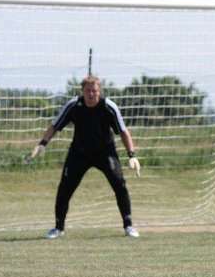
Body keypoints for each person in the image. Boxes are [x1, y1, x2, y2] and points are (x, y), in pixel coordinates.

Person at [26, 75, 141, 238]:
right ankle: (58, 228)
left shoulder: (108, 106)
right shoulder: (74, 105)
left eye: (94, 91)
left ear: (99, 91)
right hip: (79, 153)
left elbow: (123, 131)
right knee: (64, 188)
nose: (91, 94)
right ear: (83, 91)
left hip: (105, 153)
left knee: (119, 185)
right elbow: (54, 126)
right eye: (88, 91)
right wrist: (42, 143)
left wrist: (132, 155)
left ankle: (128, 226)